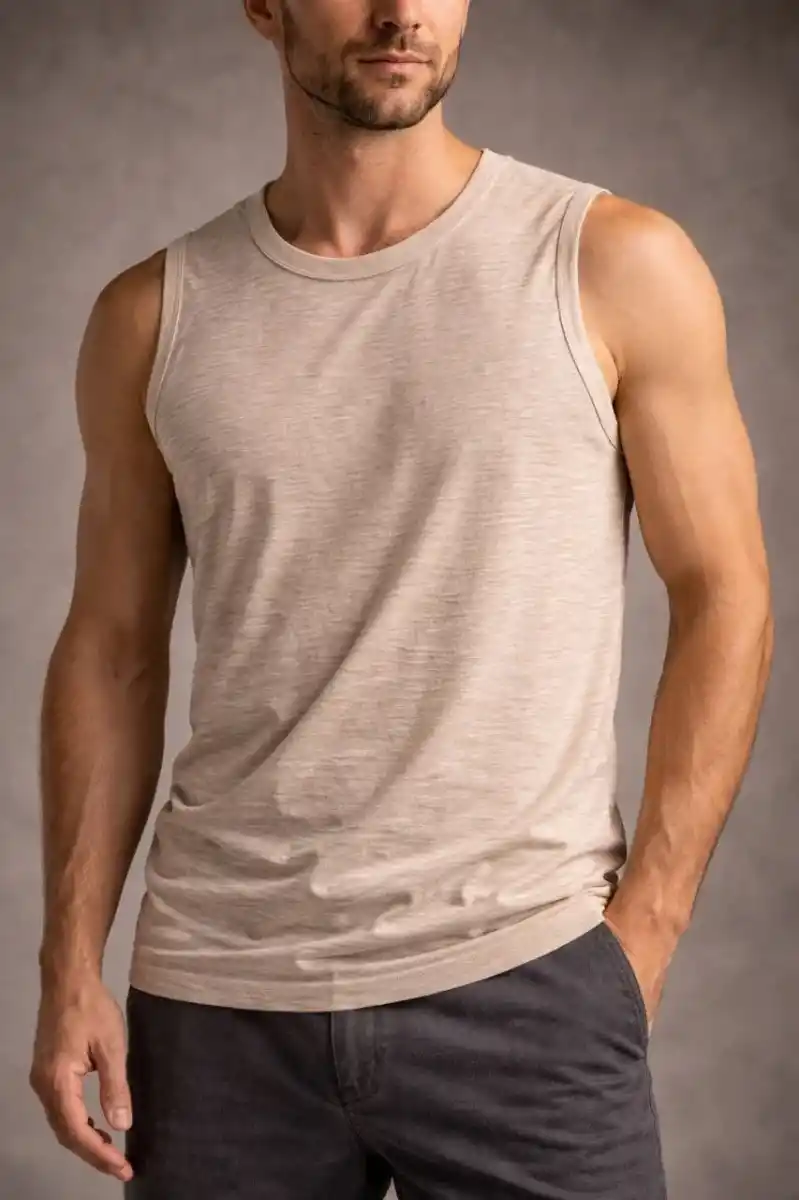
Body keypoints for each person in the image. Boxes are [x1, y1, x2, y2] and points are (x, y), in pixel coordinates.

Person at [29, 2, 774, 1197]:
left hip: (526, 979)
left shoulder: (610, 262)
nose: (398, 12)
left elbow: (723, 594)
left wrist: (642, 933)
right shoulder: (152, 317)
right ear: (263, 6)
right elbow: (111, 649)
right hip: (221, 1003)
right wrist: (69, 965)